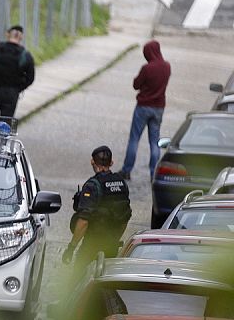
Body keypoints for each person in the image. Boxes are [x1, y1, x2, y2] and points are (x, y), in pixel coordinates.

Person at [62, 146, 132, 273]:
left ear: (92, 162)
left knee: (77, 281)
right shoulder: (122, 184)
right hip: (111, 246)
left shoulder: (92, 186)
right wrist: (114, 239)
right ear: (111, 163)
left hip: (91, 245)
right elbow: (125, 216)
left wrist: (71, 248)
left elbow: (83, 221)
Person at [118, 40, 171, 180]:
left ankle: (126, 170)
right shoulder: (167, 67)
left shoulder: (147, 68)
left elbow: (136, 85)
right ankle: (154, 173)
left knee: (134, 139)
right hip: (159, 108)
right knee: (155, 142)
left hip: (143, 107)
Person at [0, 25, 35, 118]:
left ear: (7, 34)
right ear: (21, 37)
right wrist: (18, 88)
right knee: (5, 124)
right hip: (11, 93)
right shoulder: (25, 55)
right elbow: (30, 78)